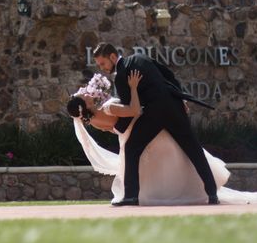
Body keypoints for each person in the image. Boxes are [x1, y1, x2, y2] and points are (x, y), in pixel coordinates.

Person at [67, 70, 257, 206]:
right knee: (177, 158)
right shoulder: (108, 107)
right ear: (85, 105)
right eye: (82, 96)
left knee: (160, 170)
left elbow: (116, 127)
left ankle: (165, 194)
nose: (85, 92)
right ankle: (199, 190)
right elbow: (135, 110)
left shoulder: (93, 120)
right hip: (148, 135)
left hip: (128, 138)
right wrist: (132, 88)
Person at [91, 42, 220, 206]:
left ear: (113, 57)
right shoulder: (141, 57)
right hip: (174, 106)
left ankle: (131, 196)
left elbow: (131, 110)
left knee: (131, 147)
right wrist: (181, 98)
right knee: (193, 147)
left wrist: (117, 129)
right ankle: (212, 193)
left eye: (102, 63)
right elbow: (168, 74)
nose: (101, 67)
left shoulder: (121, 76)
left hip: (154, 113)